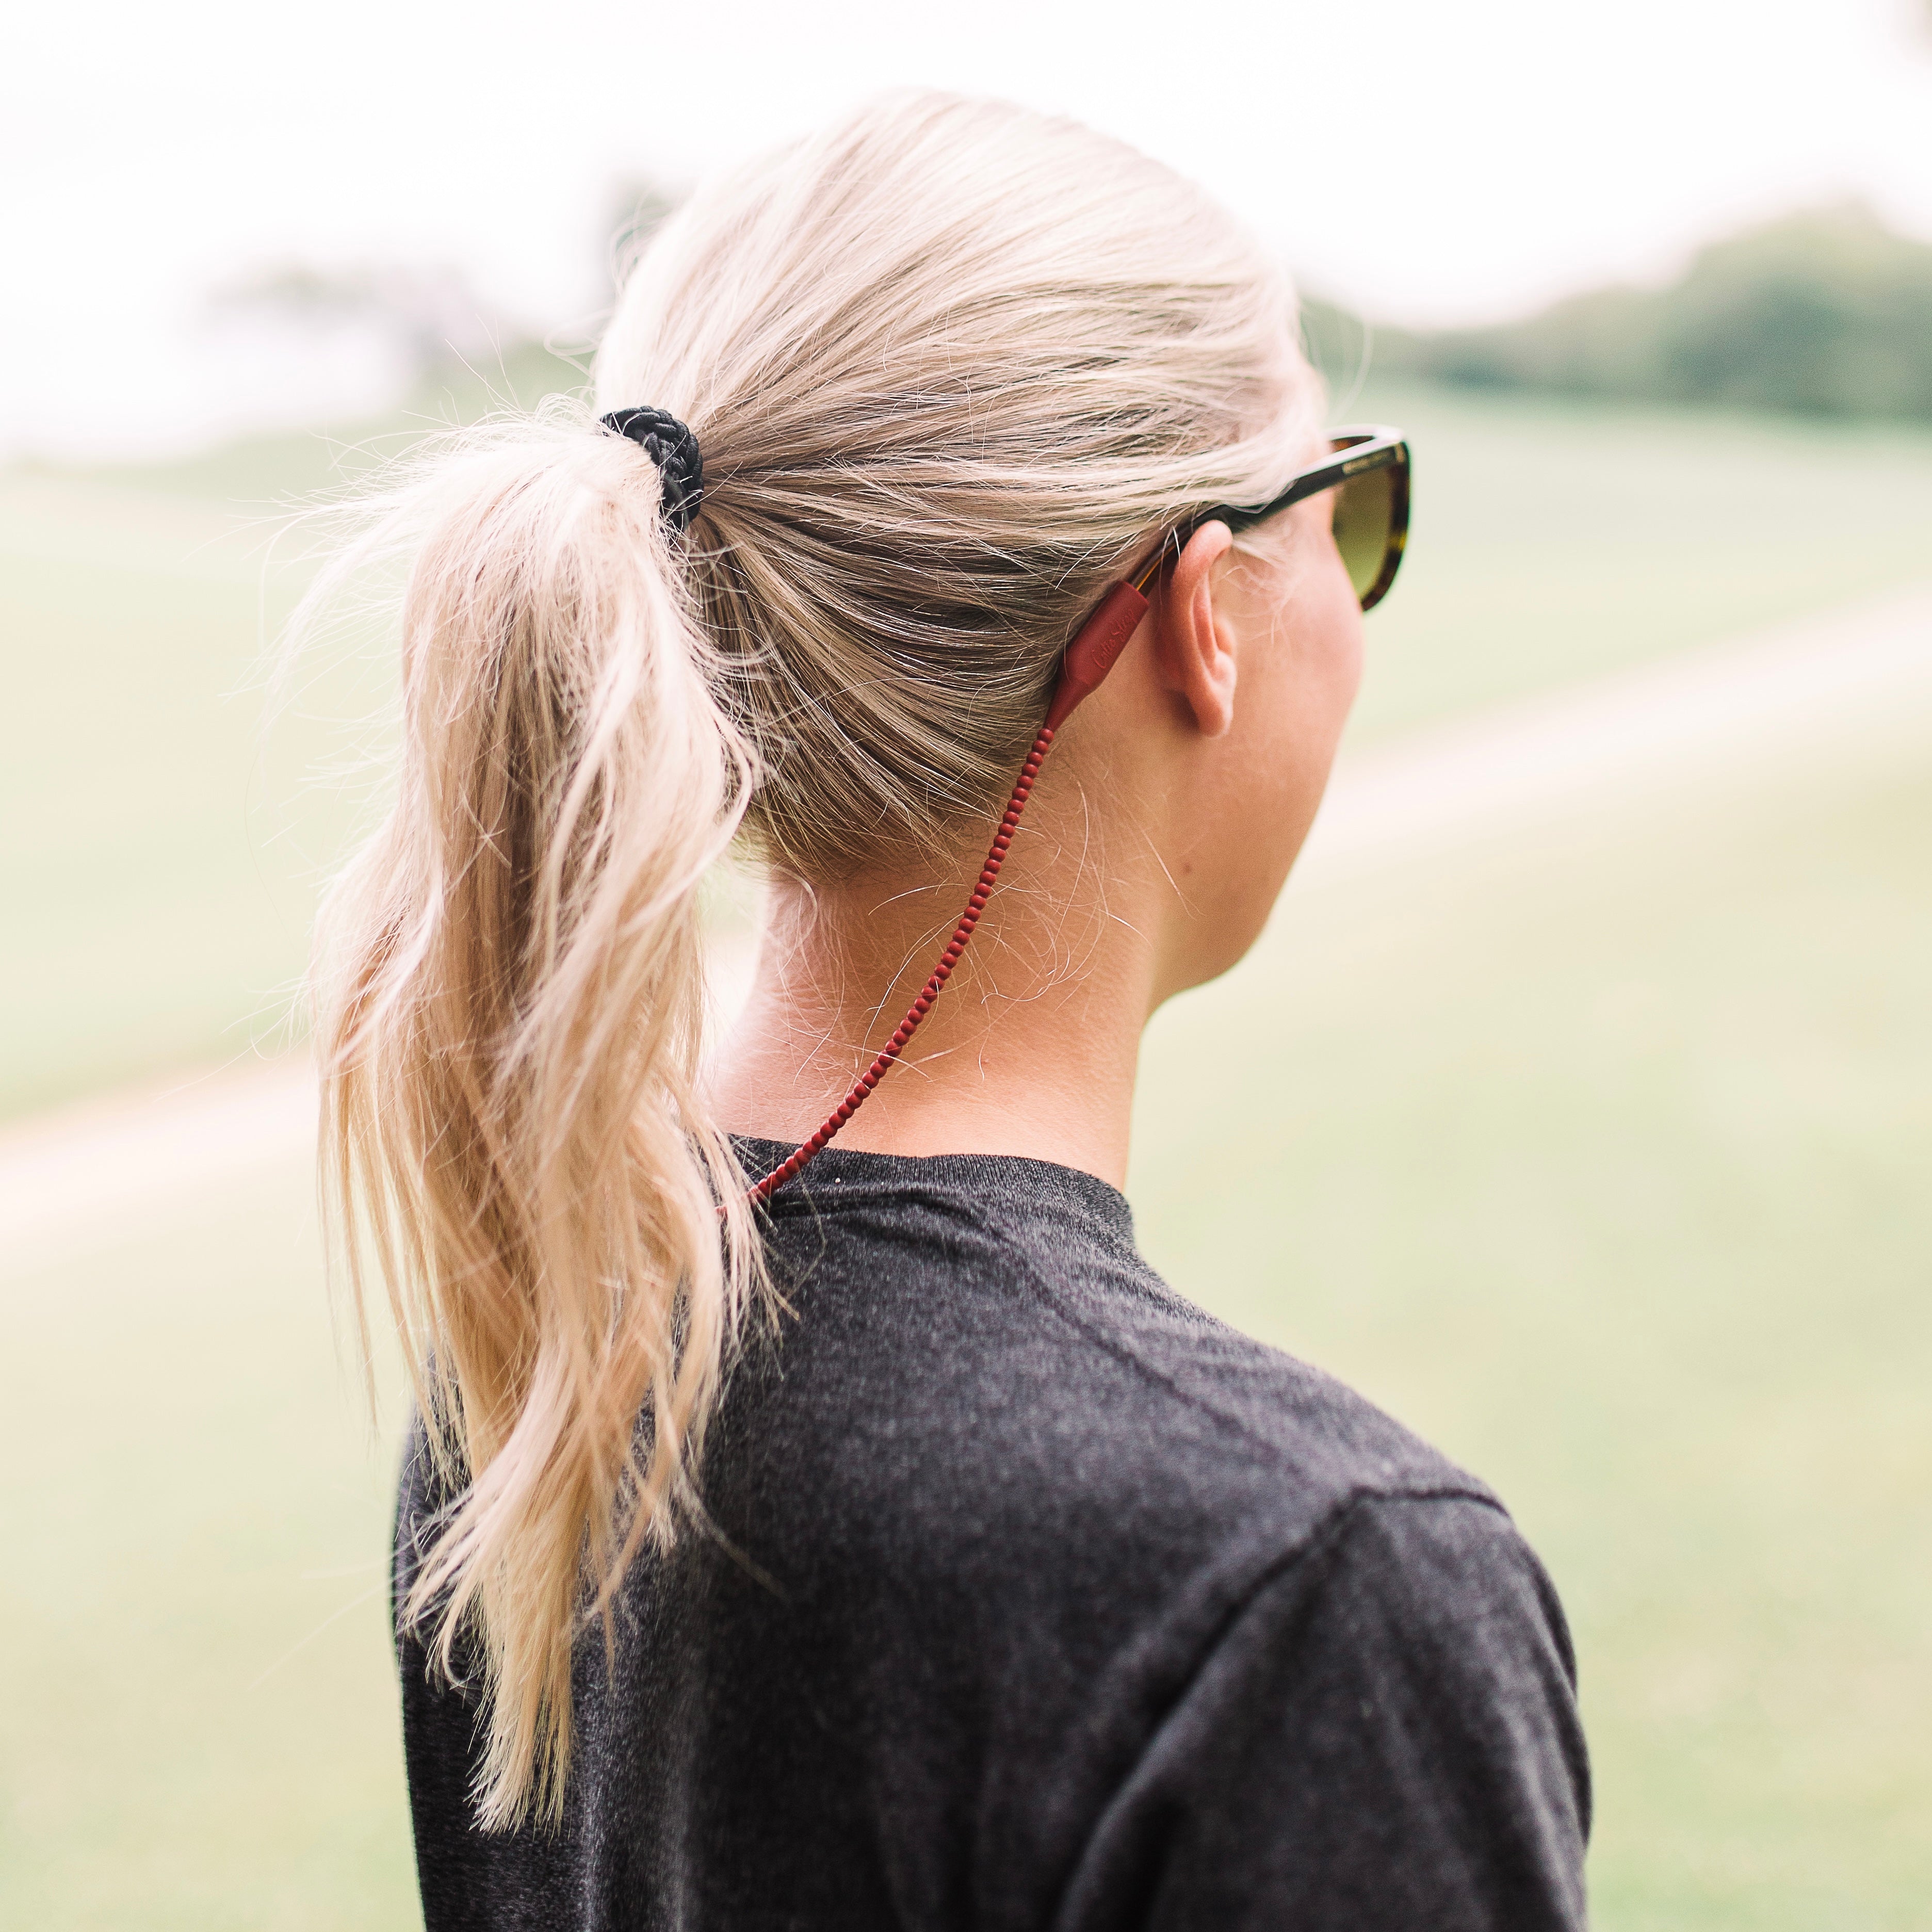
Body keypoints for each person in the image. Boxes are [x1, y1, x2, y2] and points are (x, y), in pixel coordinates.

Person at [310, 91, 1589, 1930]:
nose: (1362, 595)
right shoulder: (1304, 1590)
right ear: (1206, 613)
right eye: (1349, 500)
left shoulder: (551, 1360)